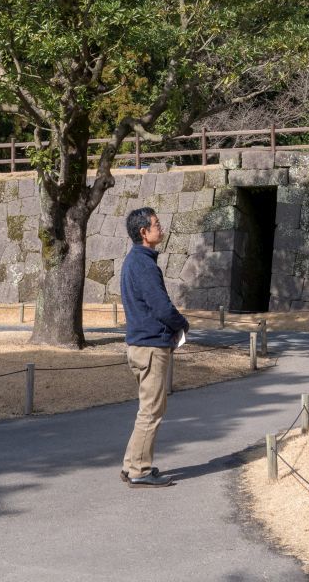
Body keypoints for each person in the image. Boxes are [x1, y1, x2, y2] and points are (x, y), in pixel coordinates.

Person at [119, 205, 188, 488]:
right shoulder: (144, 265)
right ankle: (139, 470)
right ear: (144, 232)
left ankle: (132, 464)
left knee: (147, 408)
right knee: (152, 410)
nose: (162, 228)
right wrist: (182, 323)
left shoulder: (135, 261)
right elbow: (161, 306)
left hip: (139, 344)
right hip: (150, 346)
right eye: (157, 225)